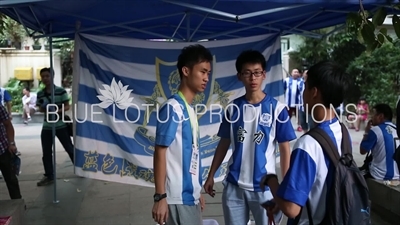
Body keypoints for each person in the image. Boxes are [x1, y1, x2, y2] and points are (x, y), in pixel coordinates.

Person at [203, 50, 296, 225]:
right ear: (239, 76)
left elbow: (285, 150)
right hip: (234, 186)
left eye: (257, 72)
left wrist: (286, 186)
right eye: (247, 73)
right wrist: (210, 175)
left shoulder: (278, 109)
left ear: (264, 75)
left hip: (265, 188)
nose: (252, 78)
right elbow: (224, 143)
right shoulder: (233, 109)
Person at [261, 61, 350, 224]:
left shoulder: (308, 144)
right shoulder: (343, 131)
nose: (303, 93)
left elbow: (291, 209)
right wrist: (280, 201)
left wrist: (271, 181)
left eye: (305, 87)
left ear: (314, 92)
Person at [152, 44, 212, 225]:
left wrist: (196, 192)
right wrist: (160, 196)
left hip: (188, 196)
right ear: (186, 71)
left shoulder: (190, 109)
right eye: (202, 72)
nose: (206, 78)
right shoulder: (172, 108)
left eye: (208, 73)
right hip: (176, 198)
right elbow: (160, 151)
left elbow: (188, 154)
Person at [36, 67, 74, 186]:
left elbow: (67, 106)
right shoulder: (40, 93)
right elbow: (40, 109)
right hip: (47, 126)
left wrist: (57, 111)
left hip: (60, 125)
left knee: (69, 147)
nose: (45, 78)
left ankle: (80, 168)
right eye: (43, 76)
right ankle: (49, 175)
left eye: (47, 76)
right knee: (46, 152)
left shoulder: (60, 91)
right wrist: (44, 108)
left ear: (52, 76)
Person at [360, 104, 400, 181]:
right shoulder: (396, 129)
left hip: (379, 175)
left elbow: (362, 151)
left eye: (373, 114)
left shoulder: (375, 130)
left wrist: (366, 132)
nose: (371, 117)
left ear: (380, 116)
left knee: (353, 173)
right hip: (397, 175)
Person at [0, 103, 21, 199]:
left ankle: (18, 202)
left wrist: (11, 143)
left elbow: (8, 124)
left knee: (11, 179)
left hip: (3, 148)